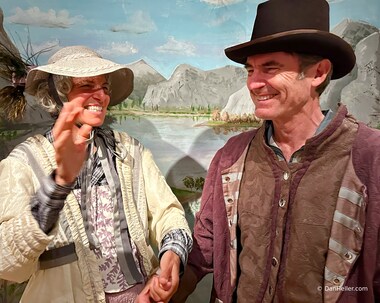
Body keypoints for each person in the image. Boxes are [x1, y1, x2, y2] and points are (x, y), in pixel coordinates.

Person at [171, 0, 380, 302]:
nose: (254, 83)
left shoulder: (370, 158)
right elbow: (205, 246)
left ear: (319, 72)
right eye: (251, 69)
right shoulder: (232, 156)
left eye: (270, 68)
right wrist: (172, 281)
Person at [0, 45, 192, 303]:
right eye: (87, 85)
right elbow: (8, 264)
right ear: (59, 94)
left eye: (104, 87)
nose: (101, 96)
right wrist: (58, 184)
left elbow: (167, 211)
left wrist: (172, 255)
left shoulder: (128, 150)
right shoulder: (25, 161)